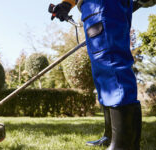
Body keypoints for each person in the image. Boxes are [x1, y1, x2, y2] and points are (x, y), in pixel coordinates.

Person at [51, 0, 155, 149]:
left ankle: (123, 144)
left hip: (102, 4)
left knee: (110, 64)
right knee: (102, 72)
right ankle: (111, 136)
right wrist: (67, 4)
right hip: (95, 7)